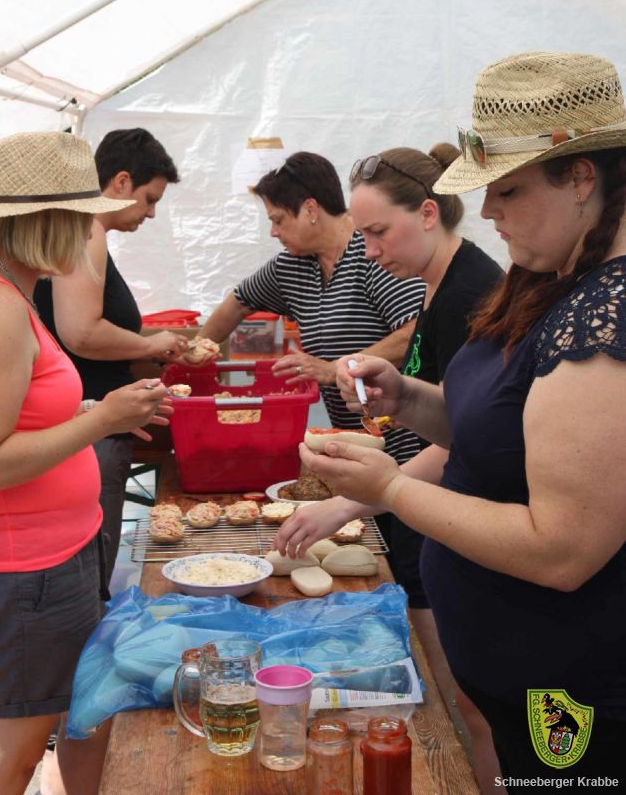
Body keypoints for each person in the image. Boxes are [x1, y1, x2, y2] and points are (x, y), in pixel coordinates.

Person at [292, 52, 626, 782]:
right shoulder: (549, 276)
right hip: (517, 672)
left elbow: (562, 551)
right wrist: (408, 397)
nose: (489, 211)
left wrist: (387, 489)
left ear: (581, 177)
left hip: (570, 687)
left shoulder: (607, 316)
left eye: (506, 189)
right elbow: (498, 432)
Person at [276, 143, 503, 791]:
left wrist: (352, 501)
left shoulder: (471, 293)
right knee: (467, 707)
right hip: (438, 519)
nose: (369, 251)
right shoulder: (438, 287)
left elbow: (467, 441)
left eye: (377, 233)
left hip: (466, 525)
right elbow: (454, 416)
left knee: (478, 713)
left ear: (428, 213)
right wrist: (398, 397)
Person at [0, 131, 171, 795]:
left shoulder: (4, 291)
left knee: (41, 728)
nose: (87, 233)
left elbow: (12, 416)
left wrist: (92, 410)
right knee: (11, 752)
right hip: (22, 571)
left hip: (43, 563)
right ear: (51, 221)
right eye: (81, 218)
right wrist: (101, 421)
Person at [195, 151, 426, 477]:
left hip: (404, 446)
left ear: (311, 209)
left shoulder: (372, 253)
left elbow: (416, 332)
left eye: (278, 220)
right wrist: (197, 350)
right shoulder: (291, 266)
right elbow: (238, 302)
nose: (273, 232)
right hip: (352, 445)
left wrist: (335, 369)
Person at [35, 127, 186, 582]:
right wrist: (149, 344)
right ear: (121, 182)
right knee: (91, 568)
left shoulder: (82, 230)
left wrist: (141, 356)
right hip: (90, 425)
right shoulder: (88, 229)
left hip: (85, 420)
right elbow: (81, 331)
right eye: (149, 198)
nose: (152, 212)